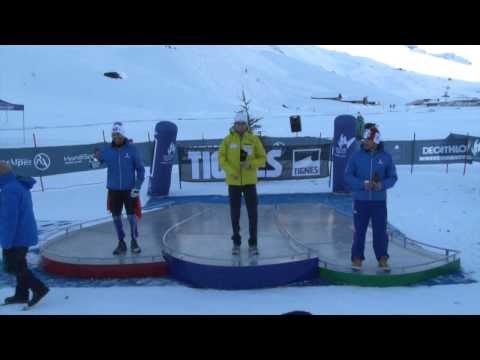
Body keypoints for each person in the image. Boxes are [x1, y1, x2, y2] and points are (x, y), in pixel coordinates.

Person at [344, 123, 398, 271]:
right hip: (361, 201)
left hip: (379, 202)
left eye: (367, 140)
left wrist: (381, 185)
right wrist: (362, 184)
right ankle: (356, 258)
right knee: (359, 231)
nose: (364, 142)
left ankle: (382, 258)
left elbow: (393, 177)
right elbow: (348, 176)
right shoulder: (356, 156)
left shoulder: (386, 157)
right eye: (364, 140)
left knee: (380, 231)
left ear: (375, 141)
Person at [0, 161, 49, 307]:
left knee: (13, 266)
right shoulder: (16, 184)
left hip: (17, 236)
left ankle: (39, 288)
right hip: (24, 232)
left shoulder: (9, 190)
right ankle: (21, 294)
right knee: (20, 265)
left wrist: (6, 243)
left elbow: (10, 220)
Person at [93, 122, 145, 255]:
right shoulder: (107, 150)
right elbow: (96, 164)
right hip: (114, 190)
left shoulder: (132, 149)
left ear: (123, 135)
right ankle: (121, 242)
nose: (116, 137)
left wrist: (137, 186)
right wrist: (95, 160)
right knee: (116, 217)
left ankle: (134, 241)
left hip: (130, 190)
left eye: (118, 135)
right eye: (114, 135)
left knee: (131, 217)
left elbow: (140, 169)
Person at [219, 110, 266, 256]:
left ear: (246, 125)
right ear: (234, 124)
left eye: (242, 123)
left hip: (249, 183)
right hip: (233, 183)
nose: (240, 126)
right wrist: (231, 171)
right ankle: (236, 243)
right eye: (238, 123)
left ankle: (253, 244)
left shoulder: (253, 140)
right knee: (235, 214)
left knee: (253, 213)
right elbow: (221, 158)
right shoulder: (227, 140)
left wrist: (250, 164)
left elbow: (263, 159)